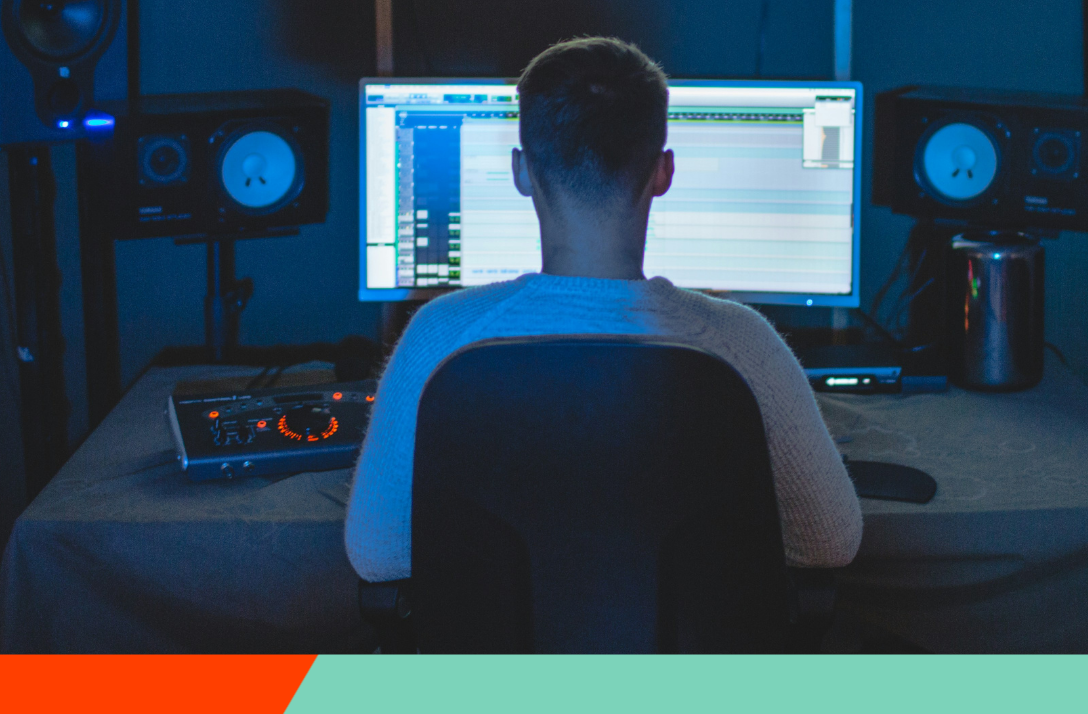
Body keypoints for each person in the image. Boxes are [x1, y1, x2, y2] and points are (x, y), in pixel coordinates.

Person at [344, 37, 862, 583]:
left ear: (520, 172)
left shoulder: (441, 336)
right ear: (664, 172)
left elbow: (376, 555)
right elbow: (830, 543)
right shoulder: (742, 343)